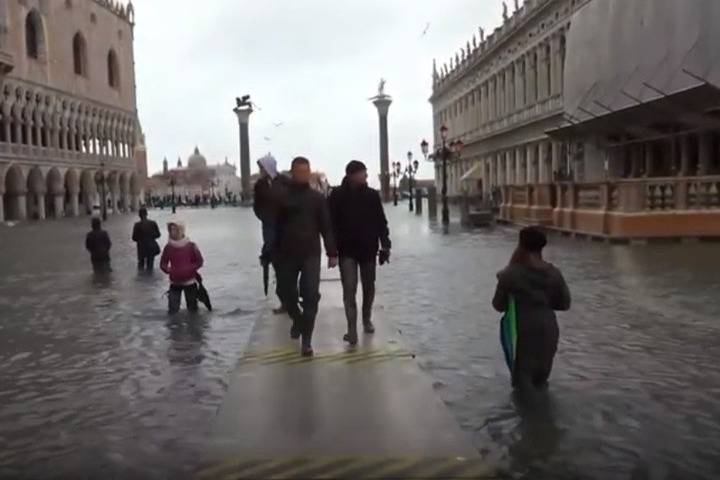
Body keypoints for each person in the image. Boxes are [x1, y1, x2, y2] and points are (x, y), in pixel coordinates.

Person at [492, 227, 571, 390]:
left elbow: (498, 305)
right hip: (549, 329)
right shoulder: (554, 273)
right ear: (542, 246)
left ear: (521, 244)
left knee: (522, 383)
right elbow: (565, 304)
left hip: (523, 331)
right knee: (542, 380)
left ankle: (526, 415)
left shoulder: (510, 274)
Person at [274, 156, 338, 356]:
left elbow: (326, 226)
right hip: (286, 253)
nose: (304, 175)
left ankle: (307, 341)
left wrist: (332, 252)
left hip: (310, 252)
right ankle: (298, 320)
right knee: (286, 293)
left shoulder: (317, 199)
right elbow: (273, 226)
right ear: (293, 173)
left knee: (310, 296)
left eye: (306, 172)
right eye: (300, 172)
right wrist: (270, 252)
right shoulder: (283, 198)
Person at [329, 160, 391, 346]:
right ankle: (351, 329)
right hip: (346, 249)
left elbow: (381, 221)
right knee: (349, 289)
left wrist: (385, 245)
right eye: (362, 173)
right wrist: (332, 250)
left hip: (368, 248)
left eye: (365, 173)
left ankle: (366, 318)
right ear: (351, 175)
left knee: (369, 287)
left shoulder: (372, 195)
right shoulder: (337, 195)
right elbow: (330, 224)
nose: (365, 176)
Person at [253, 153, 286, 313]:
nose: (260, 170)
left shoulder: (285, 182)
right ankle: (284, 301)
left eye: (261, 167)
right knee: (277, 265)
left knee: (289, 266)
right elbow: (257, 206)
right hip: (269, 228)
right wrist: (265, 217)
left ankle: (292, 297)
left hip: (286, 229)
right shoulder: (259, 185)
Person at [160, 220, 204, 314]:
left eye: (175, 229)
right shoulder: (168, 247)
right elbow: (163, 264)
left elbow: (200, 261)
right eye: (171, 230)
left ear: (181, 230)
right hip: (175, 282)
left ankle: (193, 327)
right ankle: (174, 327)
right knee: (172, 310)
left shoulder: (191, 246)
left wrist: (190, 269)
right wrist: (169, 270)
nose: (173, 232)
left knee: (193, 310)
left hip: (190, 281)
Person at [132, 207, 161, 272]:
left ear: (139, 215)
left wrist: (140, 239)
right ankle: (150, 278)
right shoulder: (153, 223)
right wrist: (151, 237)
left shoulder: (137, 225)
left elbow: (134, 238)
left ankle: (141, 279)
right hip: (151, 246)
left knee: (141, 265)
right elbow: (158, 235)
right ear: (147, 214)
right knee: (150, 265)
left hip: (141, 247)